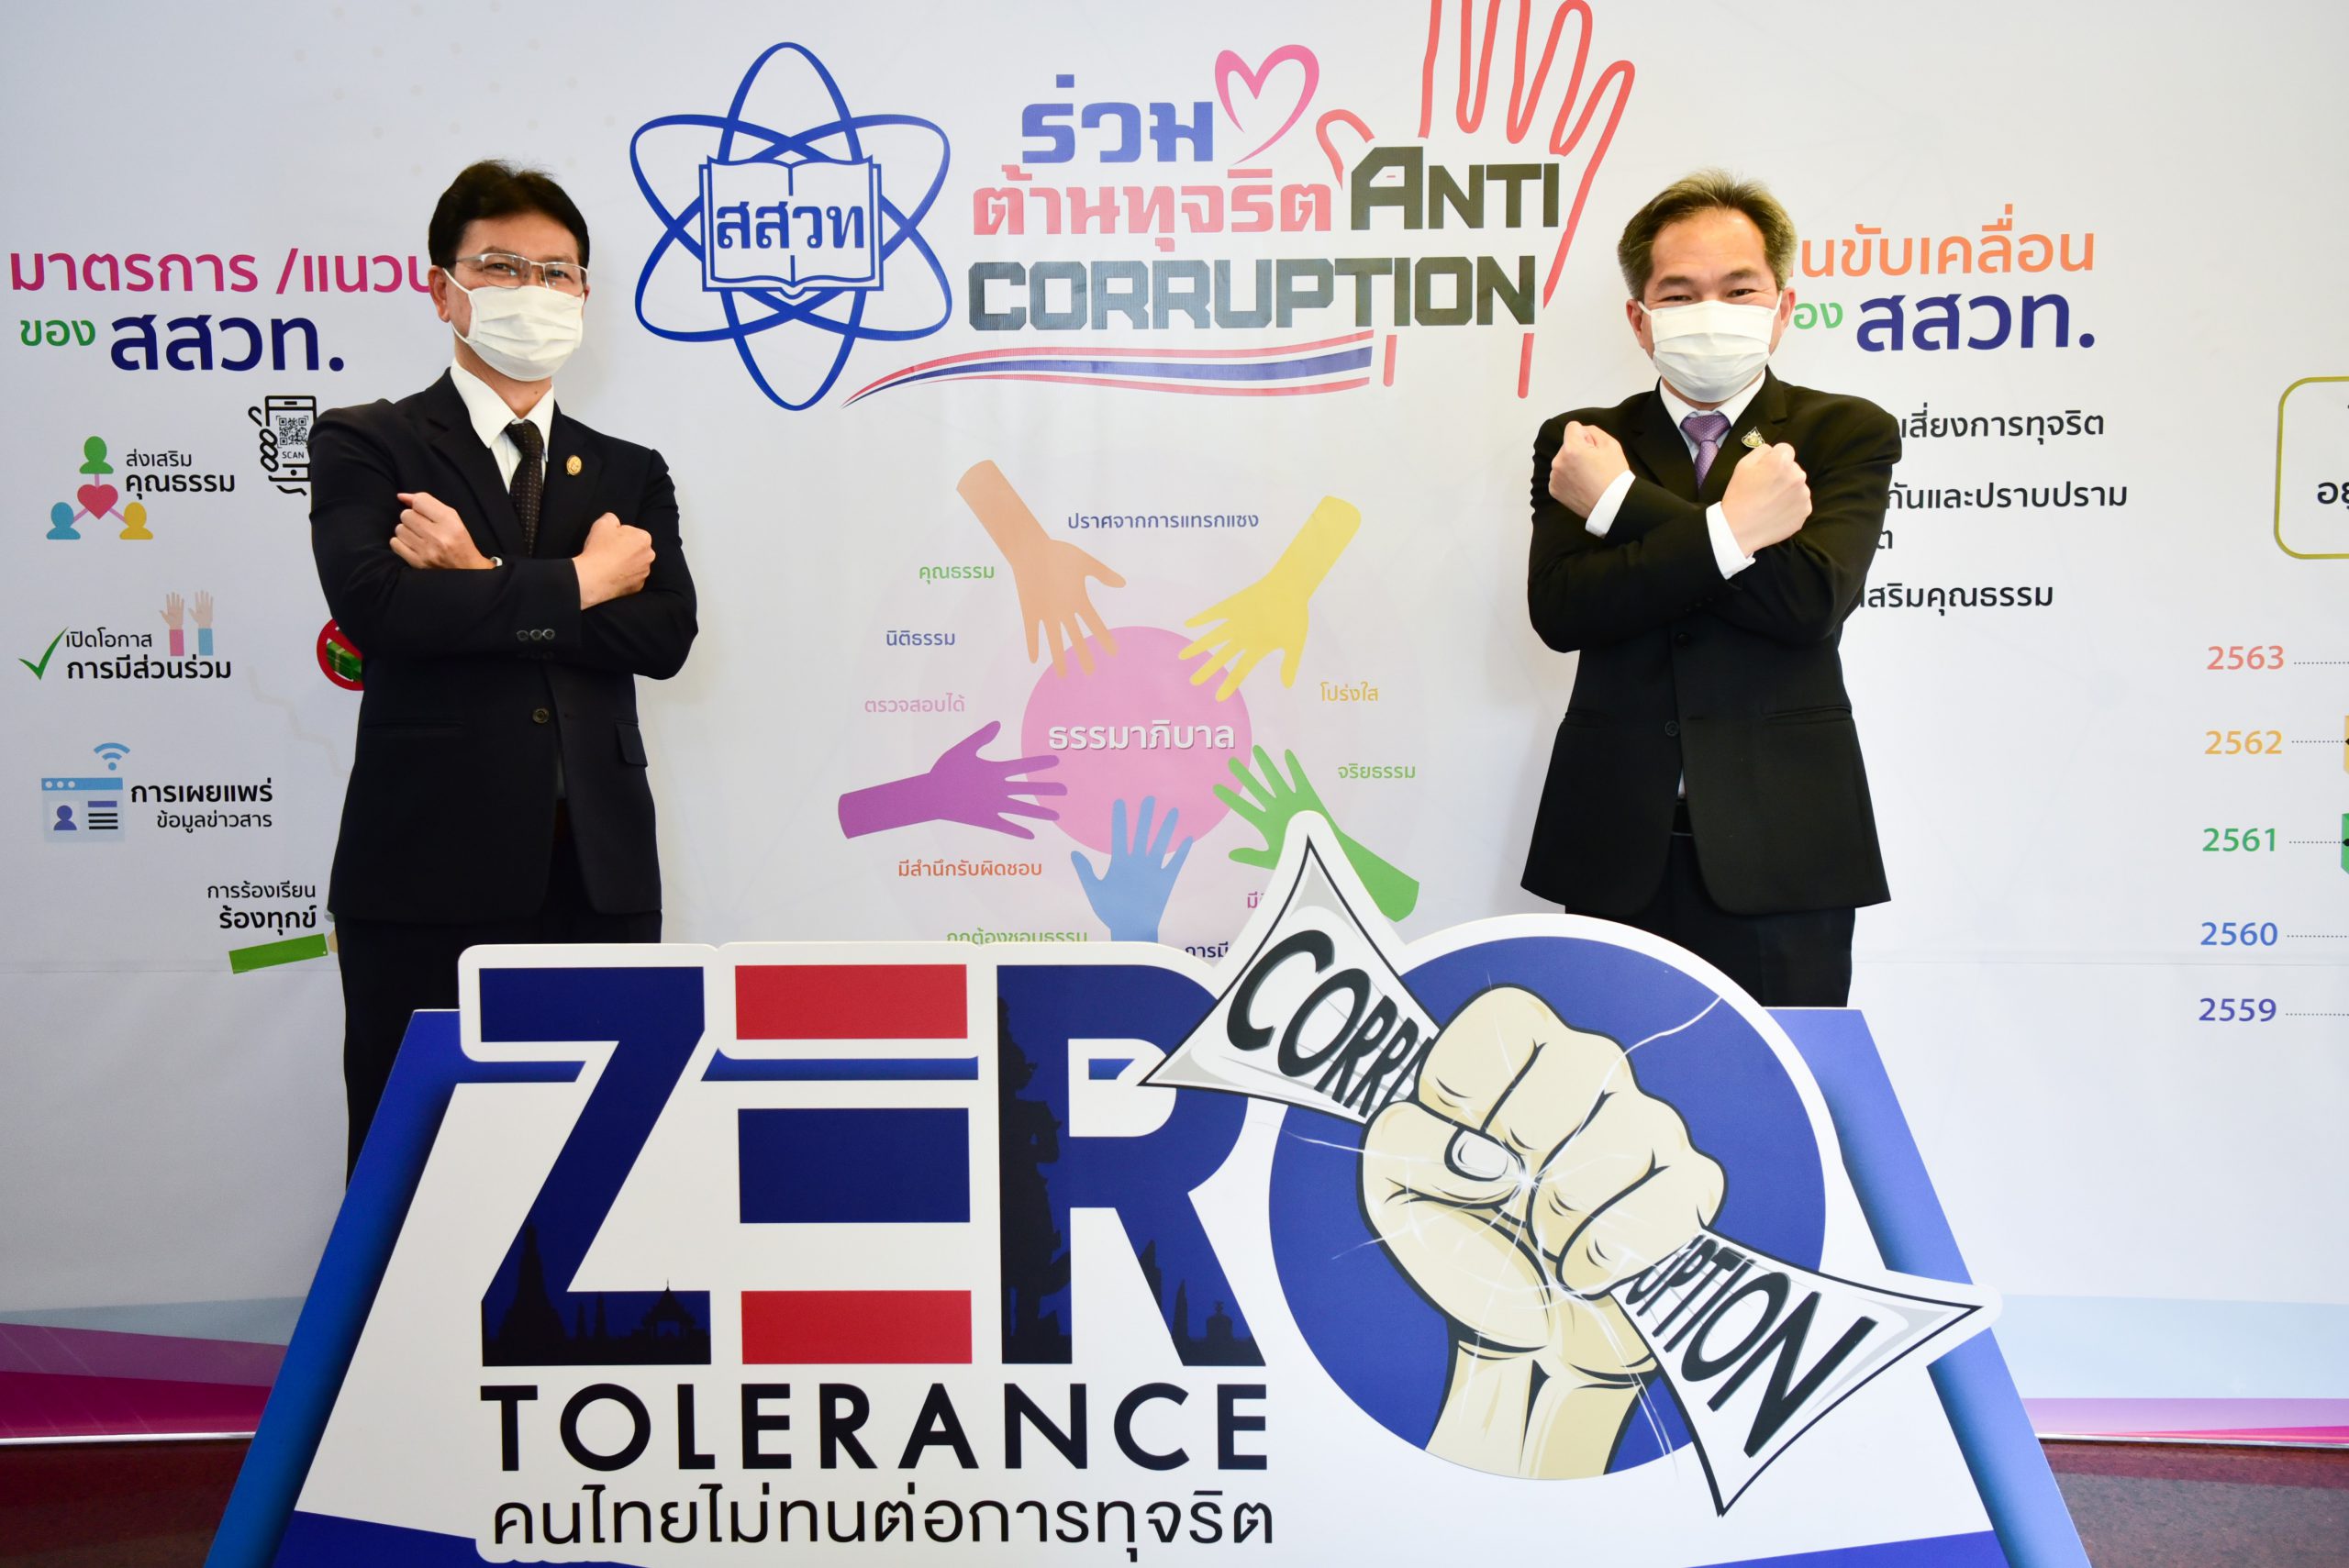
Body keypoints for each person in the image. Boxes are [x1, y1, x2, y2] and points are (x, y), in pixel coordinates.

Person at [311, 161, 696, 1173]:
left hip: (599, 874)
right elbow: (381, 609)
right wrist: (586, 582)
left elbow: (663, 636)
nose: (534, 289)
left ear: (585, 296)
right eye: (501, 266)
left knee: (597, 1169)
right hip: (423, 870)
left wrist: (480, 578)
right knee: (416, 1166)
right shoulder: (368, 441)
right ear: (443, 288)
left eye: (557, 271)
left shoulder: (629, 471)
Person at [1521, 171, 1898, 1006]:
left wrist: (1620, 504)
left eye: (1739, 289)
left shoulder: (1844, 431)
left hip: (1785, 842)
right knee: (1605, 1076)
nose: (1711, 311)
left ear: (1782, 305)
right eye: (1680, 293)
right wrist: (1736, 531)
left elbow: (1807, 603)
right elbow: (1566, 608)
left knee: (1780, 1079)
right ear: (1640, 317)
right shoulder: (1583, 442)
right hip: (1618, 839)